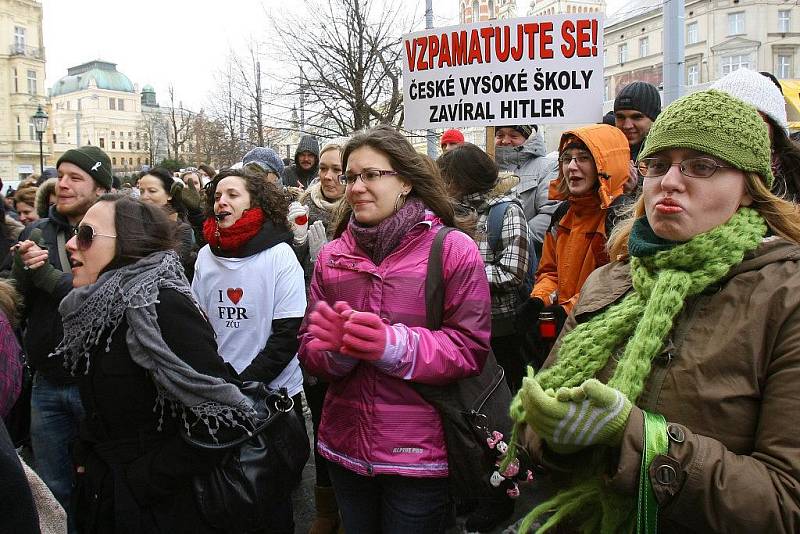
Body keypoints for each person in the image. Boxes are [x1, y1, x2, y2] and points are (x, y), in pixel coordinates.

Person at [504, 89, 800, 533]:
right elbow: (532, 423)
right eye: (658, 165)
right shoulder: (609, 279)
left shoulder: (786, 296)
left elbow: (785, 503)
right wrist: (556, 435)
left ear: (748, 187)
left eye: (702, 166)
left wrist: (637, 438)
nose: (671, 181)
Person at [298, 125, 492, 534]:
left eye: (372, 175)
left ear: (405, 180)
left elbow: (469, 348)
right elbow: (310, 350)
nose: (356, 188)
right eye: (351, 177)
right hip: (345, 448)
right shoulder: (332, 256)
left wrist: (391, 345)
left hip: (419, 457)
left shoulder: (453, 249)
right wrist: (337, 349)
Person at [52, 194, 255, 533]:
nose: (72, 244)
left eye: (86, 234)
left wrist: (145, 479)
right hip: (109, 495)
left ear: (128, 242)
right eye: (76, 232)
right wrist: (87, 456)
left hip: (163, 508)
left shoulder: (162, 303)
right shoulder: (93, 308)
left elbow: (226, 415)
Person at [191, 169, 307, 531]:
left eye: (233, 195)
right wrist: (218, 384)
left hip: (273, 400)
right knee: (225, 500)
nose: (221, 202)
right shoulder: (206, 257)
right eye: (217, 196)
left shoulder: (279, 255)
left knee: (273, 501)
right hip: (220, 396)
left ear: (255, 202)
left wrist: (245, 383)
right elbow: (198, 325)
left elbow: (287, 334)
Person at [11, 145, 112, 531]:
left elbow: (104, 292)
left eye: (76, 177)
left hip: (96, 383)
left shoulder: (113, 232)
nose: (63, 185)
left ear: (100, 188)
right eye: (61, 175)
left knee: (103, 483)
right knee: (53, 489)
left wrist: (48, 276)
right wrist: (22, 270)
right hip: (48, 384)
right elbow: (17, 302)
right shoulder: (36, 232)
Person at [437, 142, 529, 532]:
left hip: (501, 334)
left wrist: (462, 277)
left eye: (446, 178)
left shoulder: (506, 213)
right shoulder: (449, 213)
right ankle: (475, 487)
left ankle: (502, 494)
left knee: (497, 421)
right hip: (463, 333)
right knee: (466, 422)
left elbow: (513, 272)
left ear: (462, 179)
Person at [520, 124, 630, 361]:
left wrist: (567, 311)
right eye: (567, 158)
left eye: (583, 158)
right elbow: (550, 272)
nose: (572, 166)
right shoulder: (562, 213)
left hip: (598, 339)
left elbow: (612, 287)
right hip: (564, 332)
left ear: (605, 166)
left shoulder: (621, 220)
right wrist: (539, 300)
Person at [296, 139, 347, 533]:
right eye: (324, 169)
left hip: (356, 339)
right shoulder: (301, 213)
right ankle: (326, 509)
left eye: (338, 170)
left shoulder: (366, 212)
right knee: (324, 426)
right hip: (316, 335)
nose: (328, 177)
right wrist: (298, 250)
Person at [711, 67, 800, 201]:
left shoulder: (793, 177)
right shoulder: (691, 171)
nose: (737, 130)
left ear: (775, 130)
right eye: (726, 120)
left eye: (753, 120)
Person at [494, 124, 559, 258]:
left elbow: (550, 213)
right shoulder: (486, 168)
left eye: (513, 136)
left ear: (529, 138)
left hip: (530, 260)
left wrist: (515, 243)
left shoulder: (547, 167)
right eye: (500, 135)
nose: (505, 141)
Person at [137, 167, 198, 278]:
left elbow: (172, 267)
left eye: (152, 191)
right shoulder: (133, 222)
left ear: (169, 195)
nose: (144, 197)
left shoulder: (182, 229)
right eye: (141, 191)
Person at [614, 81, 661, 195]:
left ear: (654, 119)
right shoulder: (608, 153)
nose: (627, 125)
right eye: (620, 117)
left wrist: (632, 193)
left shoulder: (665, 157)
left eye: (637, 117)